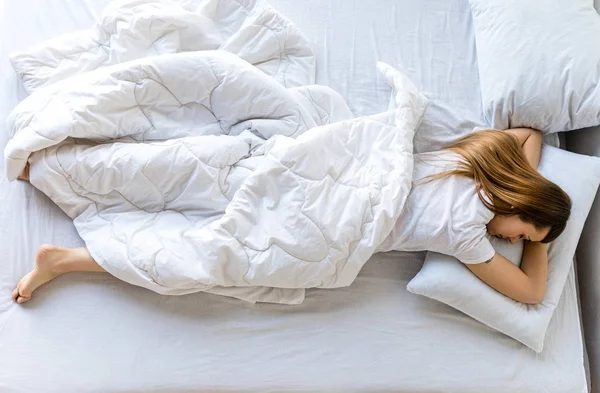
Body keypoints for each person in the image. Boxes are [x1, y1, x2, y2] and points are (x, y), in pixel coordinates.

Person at [12, 128, 571, 305]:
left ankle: (55, 169)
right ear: (519, 202)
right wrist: (542, 242)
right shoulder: (467, 234)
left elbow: (531, 136)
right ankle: (68, 261)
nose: (511, 242)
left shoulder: (472, 161)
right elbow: (529, 293)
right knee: (212, 255)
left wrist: (533, 199)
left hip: (324, 168)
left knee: (202, 170)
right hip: (333, 221)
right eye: (520, 232)